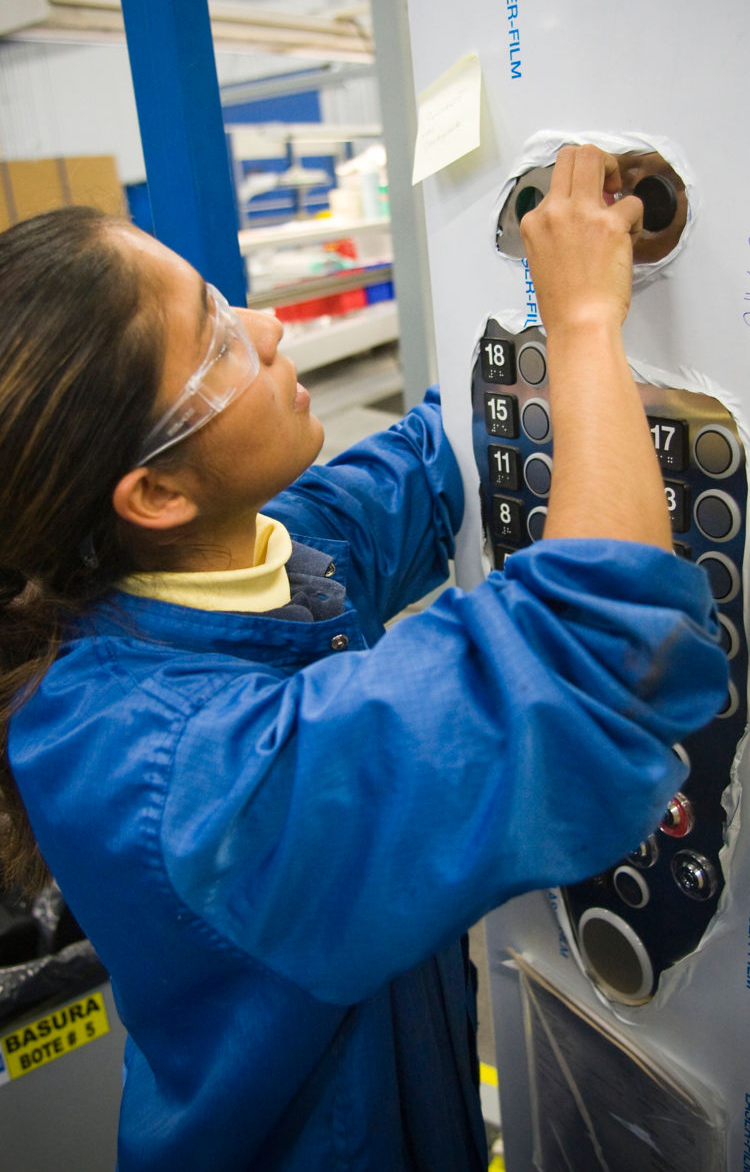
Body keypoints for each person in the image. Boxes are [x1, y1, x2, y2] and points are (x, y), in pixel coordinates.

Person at [0, 145, 726, 1171]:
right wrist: (583, 324)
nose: (267, 326)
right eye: (218, 344)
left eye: (222, 297)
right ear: (155, 495)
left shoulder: (211, 573)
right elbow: (599, 651)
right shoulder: (197, 781)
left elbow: (438, 467)